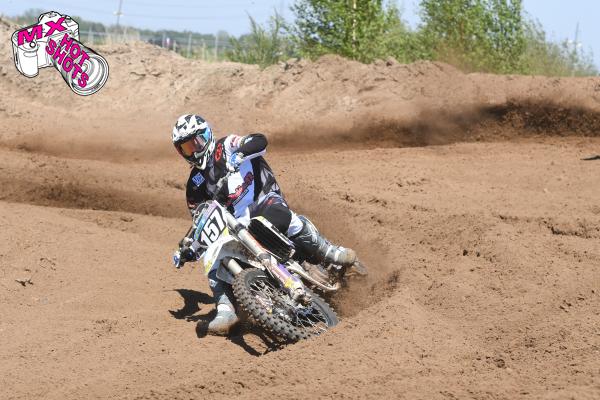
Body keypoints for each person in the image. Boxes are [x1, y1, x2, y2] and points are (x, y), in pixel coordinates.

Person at [171, 114, 357, 335]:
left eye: (196, 142)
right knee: (212, 256)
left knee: (275, 214)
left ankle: (328, 251)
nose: (193, 151)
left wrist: (240, 154)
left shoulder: (226, 146)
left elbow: (259, 140)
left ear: (206, 134)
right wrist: (189, 247)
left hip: (263, 200)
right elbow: (201, 219)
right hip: (236, 226)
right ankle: (226, 311)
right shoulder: (195, 185)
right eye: (186, 148)